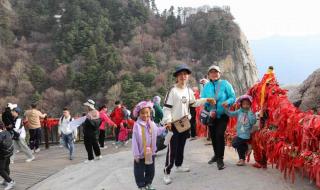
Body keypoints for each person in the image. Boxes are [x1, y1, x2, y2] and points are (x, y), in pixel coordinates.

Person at [162, 64, 216, 185]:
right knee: (172, 149)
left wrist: (206, 99)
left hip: (184, 123)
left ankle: (179, 165)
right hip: (174, 124)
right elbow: (166, 108)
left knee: (181, 146)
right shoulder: (173, 90)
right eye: (180, 74)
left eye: (185, 74)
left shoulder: (188, 90)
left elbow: (194, 103)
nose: (183, 76)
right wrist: (168, 121)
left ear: (188, 76)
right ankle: (166, 172)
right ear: (176, 77)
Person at [201, 65, 236, 170]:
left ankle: (220, 159)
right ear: (208, 75)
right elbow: (202, 99)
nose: (214, 74)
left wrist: (228, 102)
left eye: (216, 72)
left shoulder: (225, 84)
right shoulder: (206, 87)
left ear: (219, 73)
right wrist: (208, 103)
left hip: (223, 114)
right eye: (211, 72)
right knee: (213, 136)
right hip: (211, 116)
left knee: (220, 135)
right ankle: (216, 155)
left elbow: (233, 97)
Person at [132, 101, 168, 190]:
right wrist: (136, 154)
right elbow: (134, 141)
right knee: (139, 171)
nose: (145, 115)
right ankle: (141, 186)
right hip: (140, 154)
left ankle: (148, 184)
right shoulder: (137, 125)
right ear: (138, 114)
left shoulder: (152, 123)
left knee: (150, 170)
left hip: (151, 153)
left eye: (147, 113)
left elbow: (157, 131)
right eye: (142, 113)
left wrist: (165, 128)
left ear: (150, 113)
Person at [223, 95, 256, 166]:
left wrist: (249, 113)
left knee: (235, 143)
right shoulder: (239, 111)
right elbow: (231, 114)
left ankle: (246, 147)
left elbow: (253, 122)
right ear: (241, 104)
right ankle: (242, 159)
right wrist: (225, 109)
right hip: (239, 133)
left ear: (250, 105)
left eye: (247, 104)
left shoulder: (251, 113)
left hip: (246, 134)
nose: (246, 106)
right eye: (244, 104)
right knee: (239, 145)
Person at [0, 121, 15, 190]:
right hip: (9, 153)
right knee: (6, 167)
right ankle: (6, 180)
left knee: (1, 169)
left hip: (2, 154)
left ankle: (10, 181)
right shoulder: (6, 132)